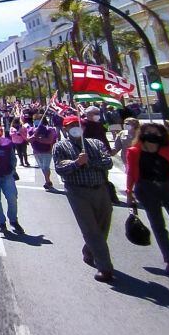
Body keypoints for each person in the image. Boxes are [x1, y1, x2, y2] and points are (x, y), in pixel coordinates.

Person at [53, 115, 116, 283]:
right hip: (77, 192)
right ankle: (105, 267)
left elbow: (108, 162)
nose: (75, 128)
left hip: (100, 189)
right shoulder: (60, 146)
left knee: (103, 225)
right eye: (70, 126)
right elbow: (60, 168)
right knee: (91, 229)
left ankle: (89, 250)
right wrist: (76, 163)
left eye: (77, 125)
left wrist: (88, 162)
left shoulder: (96, 144)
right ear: (65, 129)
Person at [125, 122, 169, 276]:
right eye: (149, 132)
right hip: (147, 189)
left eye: (157, 132)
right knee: (158, 225)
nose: (153, 135)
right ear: (142, 134)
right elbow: (131, 172)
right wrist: (129, 193)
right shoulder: (134, 151)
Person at [28, 115, 60, 190]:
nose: (36, 121)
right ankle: (47, 180)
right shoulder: (31, 129)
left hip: (47, 151)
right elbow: (29, 140)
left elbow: (49, 141)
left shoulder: (49, 129)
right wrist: (35, 134)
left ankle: (47, 181)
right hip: (36, 152)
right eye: (35, 120)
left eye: (38, 119)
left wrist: (37, 139)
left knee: (46, 167)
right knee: (42, 167)